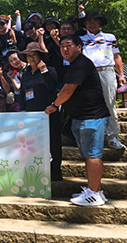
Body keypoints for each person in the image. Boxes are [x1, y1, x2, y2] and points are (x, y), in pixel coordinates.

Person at [45, 34, 110, 206]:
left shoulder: (81, 63)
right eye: (62, 46)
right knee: (89, 156)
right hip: (83, 117)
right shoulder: (75, 65)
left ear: (79, 47)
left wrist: (54, 105)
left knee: (93, 156)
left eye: (69, 45)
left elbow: (68, 90)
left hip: (91, 117)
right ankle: (94, 190)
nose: (65, 49)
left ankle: (94, 193)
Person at [79, 11, 126, 150]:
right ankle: (92, 137)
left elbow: (116, 57)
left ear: (100, 23)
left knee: (109, 103)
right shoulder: (80, 39)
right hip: (88, 73)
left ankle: (113, 136)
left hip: (107, 71)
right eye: (89, 21)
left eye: (95, 20)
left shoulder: (110, 37)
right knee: (88, 104)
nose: (92, 23)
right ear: (85, 24)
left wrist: (121, 74)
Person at [17, 43, 62, 181]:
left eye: (34, 55)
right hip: (32, 115)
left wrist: (44, 71)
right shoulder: (25, 75)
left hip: (48, 113)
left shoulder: (50, 70)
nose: (31, 58)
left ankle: (55, 172)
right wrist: (22, 109)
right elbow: (23, 93)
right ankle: (36, 171)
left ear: (40, 57)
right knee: (33, 144)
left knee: (53, 143)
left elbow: (52, 86)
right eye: (29, 56)